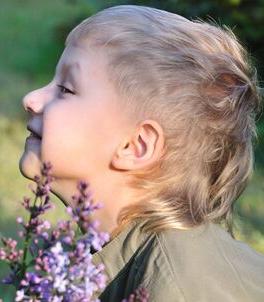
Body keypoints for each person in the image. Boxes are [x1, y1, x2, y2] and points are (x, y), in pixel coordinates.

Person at [18, 5, 264, 302]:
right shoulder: (113, 252)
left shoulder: (174, 287)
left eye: (66, 89)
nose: (31, 100)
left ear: (136, 146)